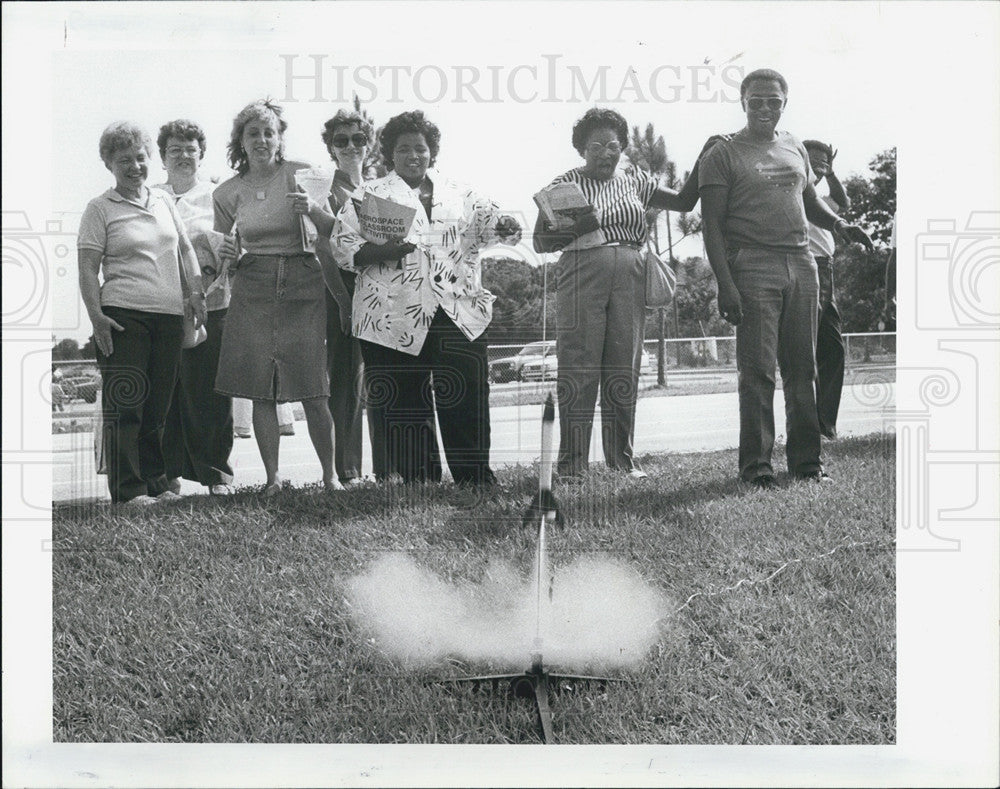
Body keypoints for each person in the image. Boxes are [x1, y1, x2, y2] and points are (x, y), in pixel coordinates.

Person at [699, 69, 873, 488]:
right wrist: (726, 282)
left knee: (803, 368)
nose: (764, 108)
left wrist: (840, 225)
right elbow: (711, 225)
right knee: (758, 371)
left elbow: (809, 200)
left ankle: (807, 463)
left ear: (784, 104)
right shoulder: (722, 153)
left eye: (772, 101)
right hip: (753, 265)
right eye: (755, 100)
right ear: (743, 103)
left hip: (803, 263)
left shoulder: (794, 145)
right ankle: (757, 467)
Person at [330, 110, 521, 486]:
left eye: (420, 148)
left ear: (432, 151)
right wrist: (383, 250)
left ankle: (474, 477)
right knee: (403, 401)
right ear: (389, 154)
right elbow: (342, 249)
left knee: (465, 395)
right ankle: (421, 480)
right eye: (403, 149)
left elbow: (493, 229)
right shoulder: (368, 195)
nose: (413, 155)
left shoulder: (462, 193)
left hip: (456, 308)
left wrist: (505, 226)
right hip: (391, 313)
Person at [532, 107, 700, 481]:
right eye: (596, 146)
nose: (606, 153)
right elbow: (541, 242)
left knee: (624, 365)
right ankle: (572, 466)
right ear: (581, 149)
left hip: (630, 272)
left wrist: (706, 153)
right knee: (578, 366)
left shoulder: (634, 179)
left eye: (613, 145)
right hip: (581, 271)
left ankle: (622, 461)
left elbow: (685, 200)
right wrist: (577, 227)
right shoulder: (564, 184)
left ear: (623, 147)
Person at [213, 99, 340, 495]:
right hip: (253, 284)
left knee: (312, 383)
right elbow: (224, 256)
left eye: (270, 132)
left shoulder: (303, 173)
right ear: (242, 141)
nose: (262, 140)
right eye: (254, 133)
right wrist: (227, 257)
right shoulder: (227, 191)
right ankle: (272, 479)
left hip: (303, 278)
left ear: (279, 138)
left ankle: (331, 477)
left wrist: (315, 208)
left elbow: (338, 231)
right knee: (260, 386)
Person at [78, 121, 206, 504]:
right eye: (123, 160)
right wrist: (97, 317)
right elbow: (87, 267)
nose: (134, 166)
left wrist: (196, 292)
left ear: (150, 159)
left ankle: (156, 482)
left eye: (139, 157)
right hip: (123, 315)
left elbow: (185, 250)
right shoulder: (99, 209)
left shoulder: (164, 201)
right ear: (108, 165)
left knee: (157, 407)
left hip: (168, 316)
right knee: (127, 406)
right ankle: (127, 490)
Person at [290, 109, 384, 485]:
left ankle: (387, 467)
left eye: (358, 139)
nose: (350, 147)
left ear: (370, 144)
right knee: (346, 381)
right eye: (341, 141)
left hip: (383, 289)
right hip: (342, 291)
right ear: (331, 147)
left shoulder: (380, 186)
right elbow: (323, 248)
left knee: (380, 380)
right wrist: (344, 302)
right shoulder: (325, 187)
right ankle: (348, 469)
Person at [153, 119, 235, 496]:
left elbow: (234, 247)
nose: (183, 156)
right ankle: (167, 476)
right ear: (162, 156)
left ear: (202, 154)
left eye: (190, 149)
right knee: (166, 393)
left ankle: (217, 475)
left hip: (212, 304)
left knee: (211, 393)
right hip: (165, 305)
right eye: (175, 149)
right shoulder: (152, 196)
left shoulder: (217, 195)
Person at [802, 139, 851, 440]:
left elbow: (842, 203)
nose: (818, 169)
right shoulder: (793, 194)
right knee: (805, 350)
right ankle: (807, 427)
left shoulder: (822, 198)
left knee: (832, 349)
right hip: (805, 266)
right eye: (813, 161)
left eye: (824, 163)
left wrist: (831, 172)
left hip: (826, 270)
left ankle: (825, 425)